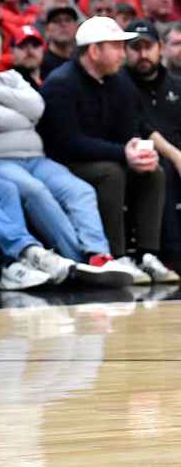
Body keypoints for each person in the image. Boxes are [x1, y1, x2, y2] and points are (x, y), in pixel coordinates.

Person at [0, 22, 134, 285]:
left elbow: (38, 107)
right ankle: (76, 261)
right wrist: (22, 114)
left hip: (36, 159)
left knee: (79, 190)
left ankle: (99, 256)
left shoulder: (11, 77)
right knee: (34, 190)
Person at [38, 16, 170, 279]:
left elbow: (127, 131)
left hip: (107, 156)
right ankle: (116, 255)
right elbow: (69, 143)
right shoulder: (59, 84)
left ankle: (146, 254)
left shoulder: (121, 83)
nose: (124, 54)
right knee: (112, 173)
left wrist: (136, 149)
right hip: (64, 164)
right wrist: (123, 153)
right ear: (95, 51)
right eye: (117, 47)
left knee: (153, 171)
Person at [122, 19, 181, 276]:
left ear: (160, 48)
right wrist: (176, 156)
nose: (143, 54)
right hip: (141, 157)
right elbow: (140, 126)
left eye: (148, 47)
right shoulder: (121, 84)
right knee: (163, 169)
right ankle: (171, 256)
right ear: (125, 51)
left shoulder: (176, 84)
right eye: (136, 48)